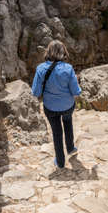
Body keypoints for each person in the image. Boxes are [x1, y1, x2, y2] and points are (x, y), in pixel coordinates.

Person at [31, 40, 81, 169]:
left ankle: (60, 162)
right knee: (68, 122)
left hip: (50, 107)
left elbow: (35, 92)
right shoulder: (68, 68)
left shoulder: (40, 69)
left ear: (48, 52)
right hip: (67, 105)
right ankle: (70, 148)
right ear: (63, 52)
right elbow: (76, 91)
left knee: (57, 132)